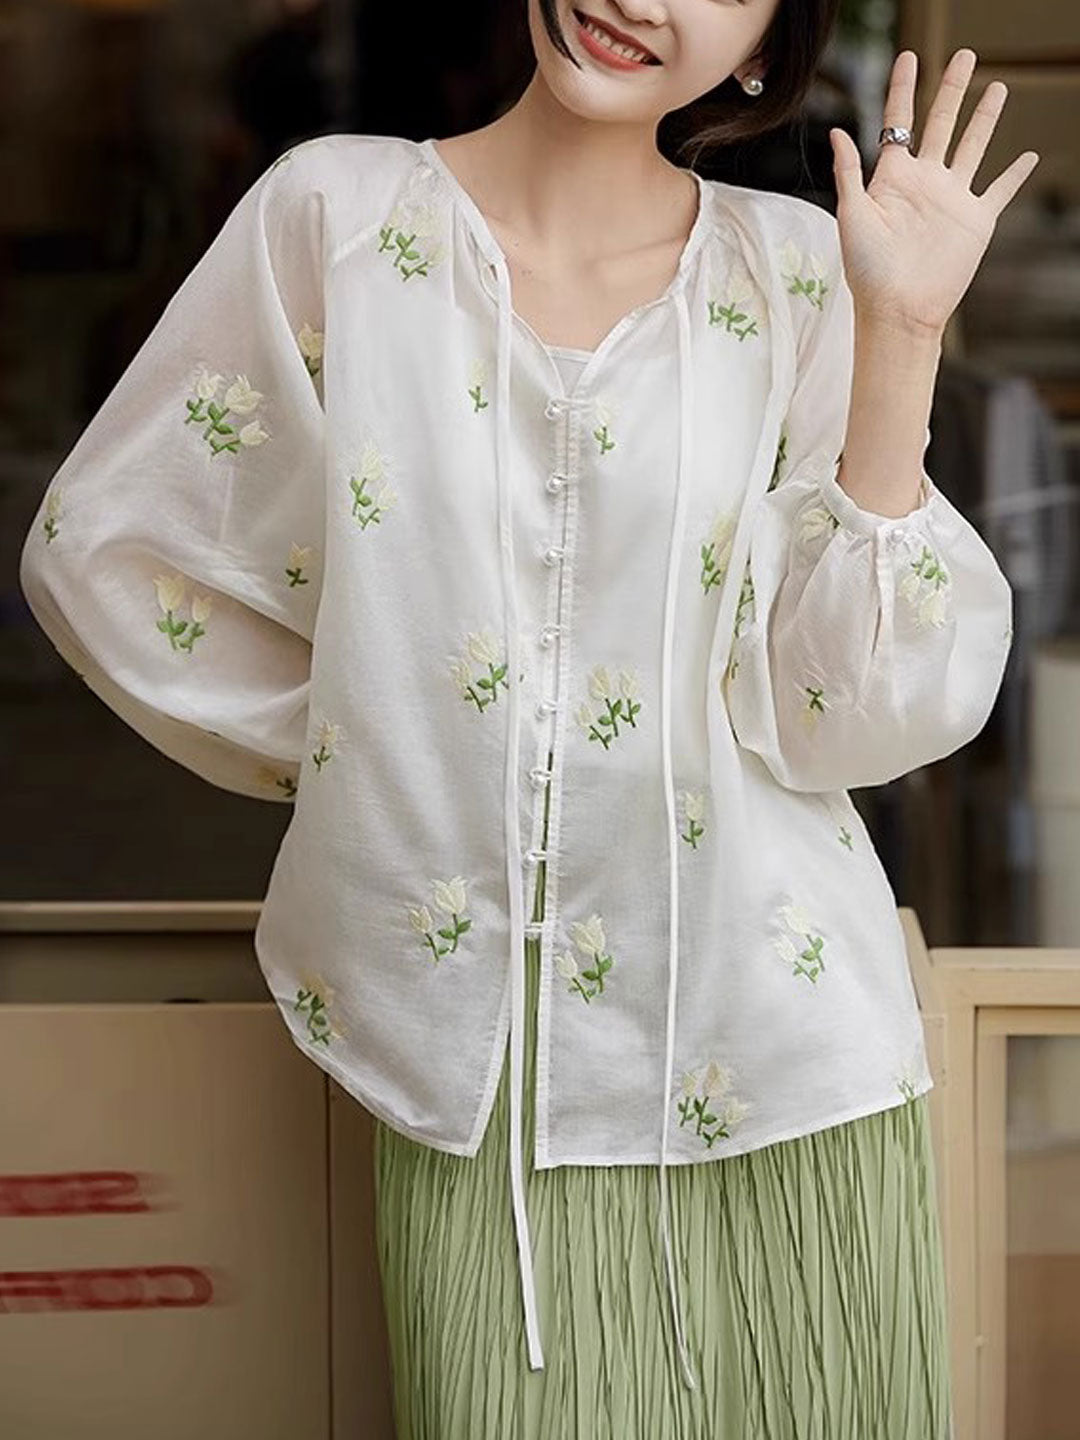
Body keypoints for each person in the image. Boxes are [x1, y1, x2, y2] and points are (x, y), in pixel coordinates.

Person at [19, 0, 1037, 1433]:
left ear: (764, 47)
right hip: (475, 1085)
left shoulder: (799, 269)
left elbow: (849, 716)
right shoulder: (338, 221)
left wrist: (907, 331)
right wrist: (379, 747)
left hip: (786, 1060)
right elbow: (115, 546)